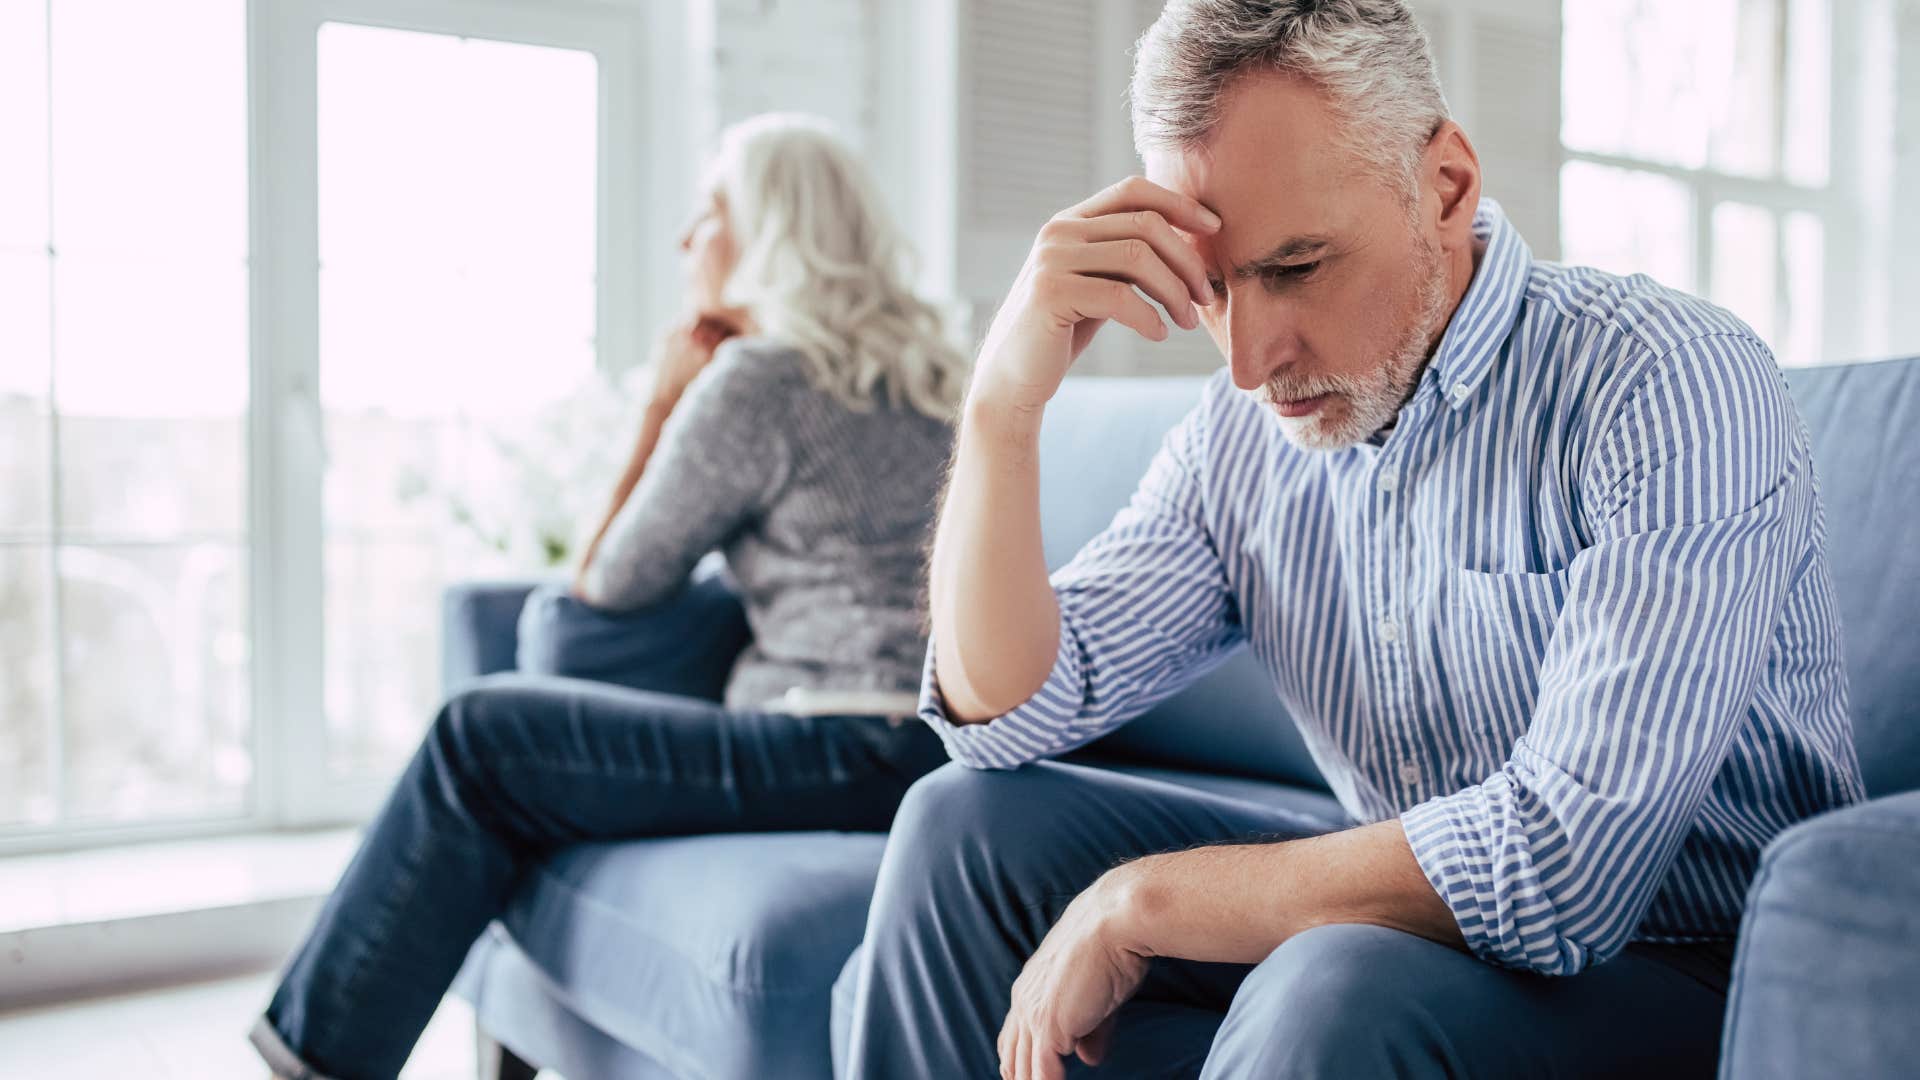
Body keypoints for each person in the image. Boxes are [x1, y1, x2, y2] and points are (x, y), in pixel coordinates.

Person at [841, 2, 1865, 1077]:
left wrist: (1142, 901)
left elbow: (1568, 863)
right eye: (1215, 286)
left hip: (1695, 968)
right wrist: (1002, 404)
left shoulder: (1664, 384)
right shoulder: (1241, 444)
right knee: (961, 831)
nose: (1248, 362)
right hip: (1414, 930)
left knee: (1334, 979)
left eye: (1295, 268)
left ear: (1447, 186)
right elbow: (1004, 715)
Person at [250, 113, 965, 1080]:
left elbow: (612, 582)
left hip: (839, 741)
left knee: (477, 738)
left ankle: (303, 1065)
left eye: (709, 212)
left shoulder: (756, 377)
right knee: (498, 754)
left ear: (766, 232)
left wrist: (665, 397)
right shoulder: (939, 376)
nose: (686, 240)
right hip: (937, 745)